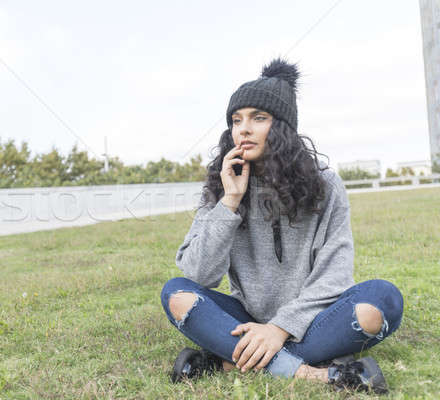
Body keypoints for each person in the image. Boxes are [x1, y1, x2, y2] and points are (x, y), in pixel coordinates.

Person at [160, 57, 404, 394]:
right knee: (176, 293)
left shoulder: (326, 185)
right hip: (245, 316)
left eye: (258, 118)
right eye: (236, 120)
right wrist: (229, 202)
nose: (243, 129)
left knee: (382, 300)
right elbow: (198, 275)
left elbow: (335, 274)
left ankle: (225, 361)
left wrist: (279, 329)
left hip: (313, 319)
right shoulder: (222, 187)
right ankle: (317, 375)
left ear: (283, 127)